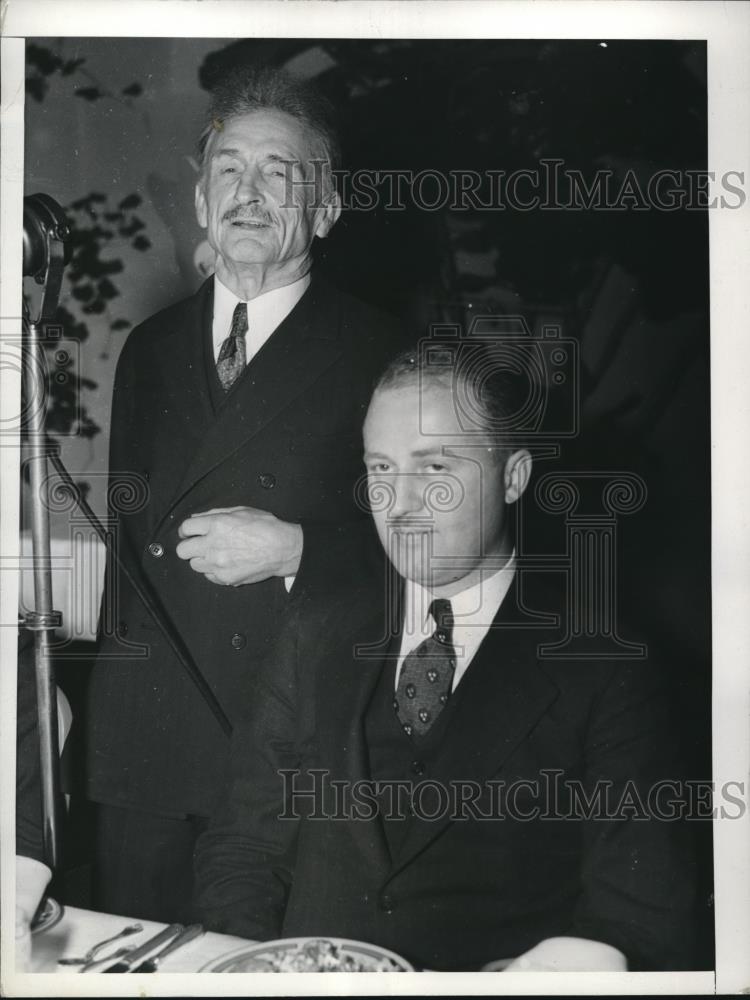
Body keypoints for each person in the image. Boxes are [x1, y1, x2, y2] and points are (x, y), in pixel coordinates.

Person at [193, 341, 698, 971]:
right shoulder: (315, 627)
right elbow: (244, 848)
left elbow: (639, 913)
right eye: (381, 470)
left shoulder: (607, 669)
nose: (400, 505)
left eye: (434, 470)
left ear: (513, 476)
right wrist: (254, 970)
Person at [84, 64, 406, 922]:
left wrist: (299, 548)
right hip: (146, 750)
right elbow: (129, 555)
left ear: (328, 208)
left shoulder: (385, 350)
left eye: (280, 172)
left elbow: (447, 551)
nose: (250, 192)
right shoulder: (149, 348)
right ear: (200, 200)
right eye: (230, 169)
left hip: (294, 746)